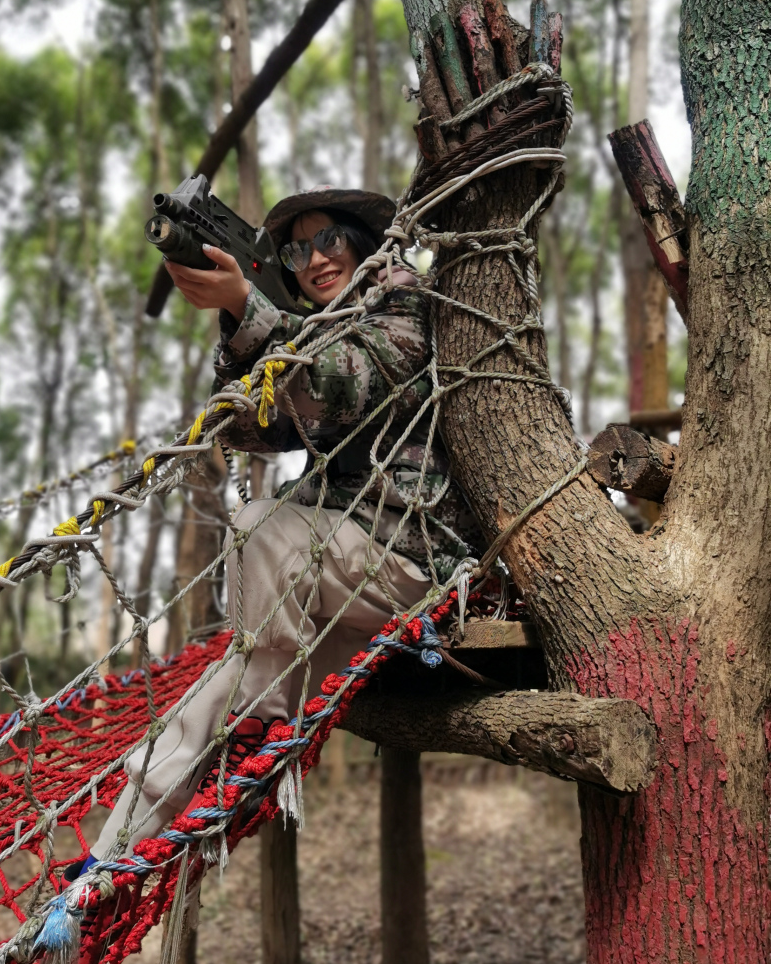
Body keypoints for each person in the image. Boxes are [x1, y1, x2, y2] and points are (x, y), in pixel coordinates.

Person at [78, 186, 481, 871]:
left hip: (410, 566)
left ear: (362, 239)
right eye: (296, 250)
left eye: (330, 240)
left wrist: (248, 305)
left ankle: (261, 720)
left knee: (259, 523)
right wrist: (239, 321)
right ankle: (98, 871)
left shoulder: (403, 298)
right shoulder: (312, 326)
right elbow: (249, 428)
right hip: (334, 586)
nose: (315, 259)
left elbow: (345, 382)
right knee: (210, 699)